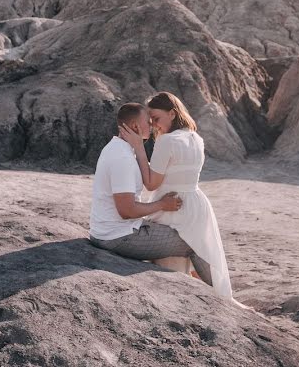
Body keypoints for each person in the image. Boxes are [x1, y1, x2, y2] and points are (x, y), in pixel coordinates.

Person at [119, 91, 233, 299]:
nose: (153, 125)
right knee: (197, 254)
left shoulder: (167, 141)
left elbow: (152, 184)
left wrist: (139, 149)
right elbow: (175, 173)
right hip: (196, 205)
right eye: (151, 120)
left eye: (157, 119)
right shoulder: (196, 138)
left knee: (168, 267)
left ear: (172, 113)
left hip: (173, 207)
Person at [88, 102, 215, 285]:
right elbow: (126, 210)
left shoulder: (117, 149)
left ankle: (198, 285)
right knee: (194, 242)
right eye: (148, 122)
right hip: (118, 236)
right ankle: (222, 297)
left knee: (183, 234)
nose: (152, 125)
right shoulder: (122, 158)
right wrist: (163, 205)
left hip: (110, 231)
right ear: (135, 127)